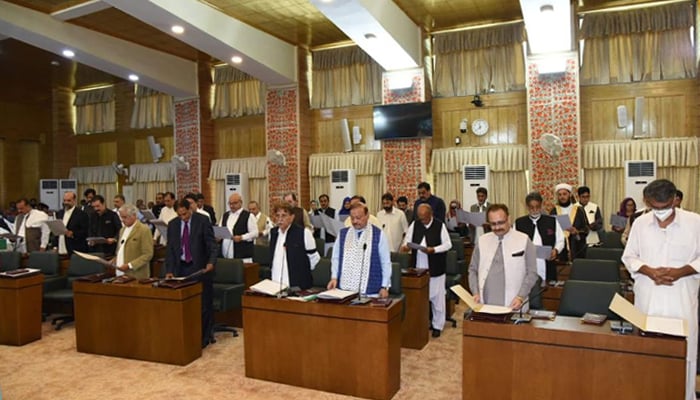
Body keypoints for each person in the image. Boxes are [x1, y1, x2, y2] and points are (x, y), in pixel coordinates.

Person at [622, 179, 700, 400]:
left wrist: (680, 271)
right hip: (648, 300)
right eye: (655, 207)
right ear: (647, 202)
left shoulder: (695, 223)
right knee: (646, 354)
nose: (660, 212)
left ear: (675, 200)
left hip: (682, 301)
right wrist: (649, 271)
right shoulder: (640, 223)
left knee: (684, 356)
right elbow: (629, 257)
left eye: (665, 207)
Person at [165, 199, 217, 349]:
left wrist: (211, 263)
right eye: (180, 215)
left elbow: (212, 245)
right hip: (181, 268)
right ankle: (189, 335)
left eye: (185, 214)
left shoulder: (202, 220)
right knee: (185, 304)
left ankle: (204, 338)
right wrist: (169, 270)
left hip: (200, 268)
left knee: (203, 305)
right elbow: (170, 250)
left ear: (190, 209)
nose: (183, 217)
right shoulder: (173, 225)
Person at [469, 204, 538, 311]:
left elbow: (532, 273)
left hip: (514, 303)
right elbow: (473, 270)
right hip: (485, 303)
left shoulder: (524, 240)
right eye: (493, 224)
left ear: (509, 219)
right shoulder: (482, 240)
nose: (497, 227)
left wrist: (521, 296)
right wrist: (475, 292)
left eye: (501, 222)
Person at [401, 204, 452, 338]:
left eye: (424, 218)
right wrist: (405, 247)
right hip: (418, 266)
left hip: (436, 266)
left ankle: (437, 325)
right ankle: (422, 323)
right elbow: (407, 241)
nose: (422, 221)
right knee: (420, 297)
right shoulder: (415, 224)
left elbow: (448, 244)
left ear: (431, 214)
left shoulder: (440, 225)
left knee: (437, 298)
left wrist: (434, 249)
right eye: (420, 218)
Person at [329, 203, 392, 299]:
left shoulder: (379, 235)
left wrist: (384, 286)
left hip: (371, 291)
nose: (355, 221)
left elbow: (385, 262)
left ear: (367, 216)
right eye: (352, 218)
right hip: (344, 291)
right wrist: (334, 277)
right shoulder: (342, 234)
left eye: (358, 218)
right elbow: (336, 258)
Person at [514, 192, 565, 283]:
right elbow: (513, 243)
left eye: (537, 207)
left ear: (541, 205)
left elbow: (560, 240)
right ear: (527, 207)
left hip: (547, 262)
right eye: (531, 207)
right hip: (526, 264)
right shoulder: (519, 223)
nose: (535, 210)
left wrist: (556, 250)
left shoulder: (552, 221)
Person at [269, 202, 320, 290]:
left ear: (292, 217)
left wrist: (302, 271)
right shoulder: (273, 233)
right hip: (276, 282)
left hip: (297, 285)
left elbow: (314, 258)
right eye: (277, 216)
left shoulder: (304, 233)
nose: (280, 219)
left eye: (284, 215)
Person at [113, 204, 153, 280]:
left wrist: (130, 265)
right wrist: (116, 258)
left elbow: (148, 254)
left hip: (136, 275)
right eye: (121, 217)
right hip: (120, 273)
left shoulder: (144, 230)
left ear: (134, 215)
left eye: (125, 217)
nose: (122, 220)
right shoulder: (122, 230)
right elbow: (121, 248)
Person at [550, 183, 588, 261]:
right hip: (560, 248)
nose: (562, 197)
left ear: (570, 195)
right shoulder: (554, 211)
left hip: (576, 247)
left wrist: (577, 232)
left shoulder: (579, 210)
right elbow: (550, 230)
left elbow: (585, 229)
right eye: (559, 195)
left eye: (564, 194)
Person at [219, 193, 257, 262]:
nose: (232, 206)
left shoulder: (248, 216)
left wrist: (242, 237)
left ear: (241, 203)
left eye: (234, 203)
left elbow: (255, 233)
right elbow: (220, 229)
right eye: (230, 204)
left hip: (242, 254)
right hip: (225, 253)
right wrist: (218, 236)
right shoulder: (225, 215)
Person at [54, 191, 90, 256]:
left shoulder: (81, 214)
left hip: (74, 248)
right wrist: (55, 246)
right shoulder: (60, 213)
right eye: (64, 200)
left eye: (68, 200)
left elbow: (85, 231)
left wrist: (73, 234)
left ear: (74, 201)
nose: (66, 203)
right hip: (60, 247)